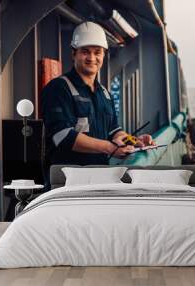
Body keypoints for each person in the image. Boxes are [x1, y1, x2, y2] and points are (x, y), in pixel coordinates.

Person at [41, 22, 154, 186]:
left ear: (104, 55)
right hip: (65, 186)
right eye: (85, 52)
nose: (92, 58)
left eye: (97, 52)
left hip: (100, 181)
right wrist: (110, 148)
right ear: (74, 53)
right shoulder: (58, 89)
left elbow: (114, 131)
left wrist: (133, 141)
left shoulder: (105, 94)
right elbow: (62, 136)